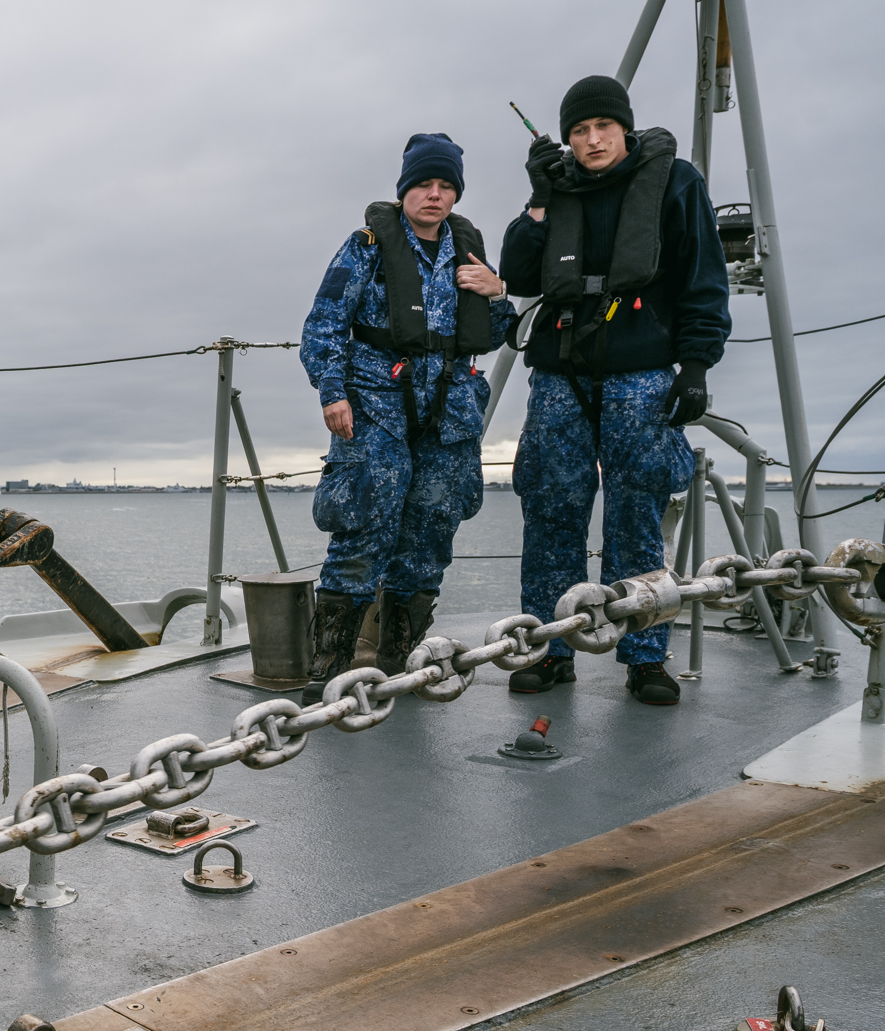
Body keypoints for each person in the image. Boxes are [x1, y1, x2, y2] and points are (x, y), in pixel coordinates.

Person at [499, 76, 731, 705]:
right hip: (560, 375)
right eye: (579, 131)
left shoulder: (675, 182)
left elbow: (704, 280)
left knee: (637, 514)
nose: (592, 140)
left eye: (603, 126)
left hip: (642, 374)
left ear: (625, 128)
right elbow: (518, 272)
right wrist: (538, 199)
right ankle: (547, 650)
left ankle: (645, 657)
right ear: (567, 139)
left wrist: (696, 367)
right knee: (550, 510)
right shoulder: (555, 189)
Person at [299, 133, 516, 702]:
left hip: (449, 410)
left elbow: (495, 334)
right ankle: (327, 671)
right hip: (375, 404)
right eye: (424, 184)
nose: (434, 195)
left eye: (445, 186)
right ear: (404, 191)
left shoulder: (468, 250)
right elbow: (323, 325)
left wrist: (498, 294)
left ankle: (400, 663)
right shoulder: (366, 246)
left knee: (430, 534)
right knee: (362, 528)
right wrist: (332, 392)